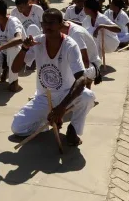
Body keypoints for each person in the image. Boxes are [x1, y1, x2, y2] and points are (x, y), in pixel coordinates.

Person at [10, 9, 97, 146]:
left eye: (51, 23)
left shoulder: (70, 45)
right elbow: (15, 69)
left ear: (61, 25)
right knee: (17, 128)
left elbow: (81, 79)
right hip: (44, 96)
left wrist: (61, 108)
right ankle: (47, 120)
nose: (47, 26)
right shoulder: (37, 42)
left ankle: (73, 129)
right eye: (44, 23)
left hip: (66, 95)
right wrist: (24, 48)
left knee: (88, 96)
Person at [61, 19, 102, 85]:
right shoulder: (67, 25)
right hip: (82, 63)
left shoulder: (76, 34)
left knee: (64, 76)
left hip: (91, 65)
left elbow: (85, 61)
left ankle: (84, 89)